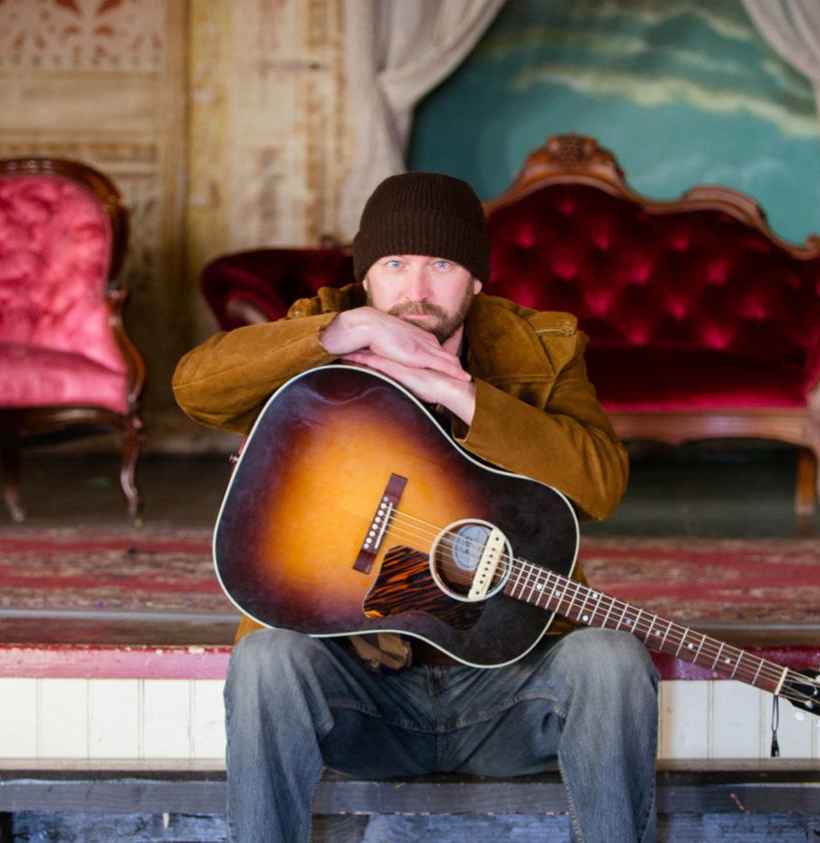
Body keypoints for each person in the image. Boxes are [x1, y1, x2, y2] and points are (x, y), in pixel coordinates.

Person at [173, 172, 660, 843]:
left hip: (510, 686)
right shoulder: (321, 330)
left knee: (613, 658)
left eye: (443, 264)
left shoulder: (541, 349)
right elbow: (193, 388)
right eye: (394, 264)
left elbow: (602, 482)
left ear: (477, 280)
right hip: (362, 690)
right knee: (266, 661)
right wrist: (346, 330)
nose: (417, 289)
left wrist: (465, 397)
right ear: (366, 277)